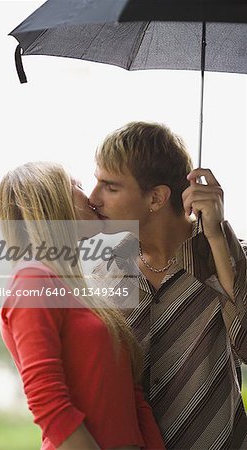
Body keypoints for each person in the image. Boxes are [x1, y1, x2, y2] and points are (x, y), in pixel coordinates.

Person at [89, 122, 247, 449]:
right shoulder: (106, 271)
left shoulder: (229, 257)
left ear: (157, 198)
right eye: (96, 182)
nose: (94, 198)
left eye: (110, 187)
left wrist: (216, 238)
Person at [0, 161, 165, 450]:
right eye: (77, 186)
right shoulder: (32, 280)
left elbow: (132, 397)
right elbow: (47, 401)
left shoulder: (85, 295)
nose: (91, 197)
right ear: (50, 203)